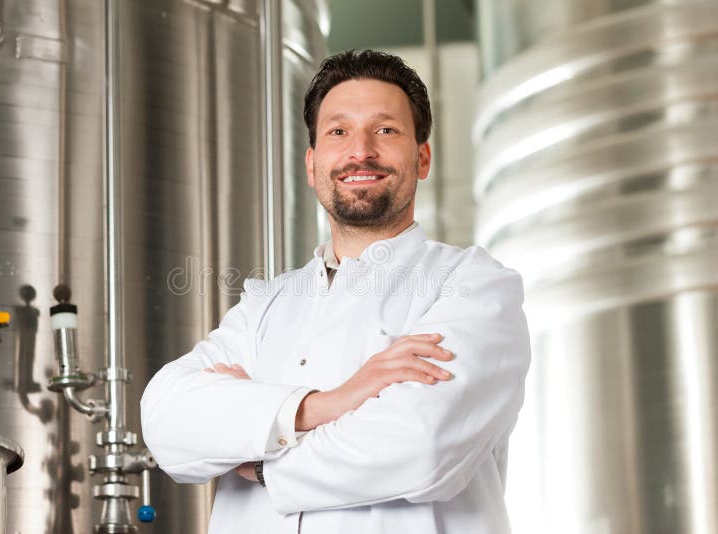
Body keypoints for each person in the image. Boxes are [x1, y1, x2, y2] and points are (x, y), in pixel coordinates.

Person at [141, 49, 531, 534]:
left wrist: (259, 460)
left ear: (423, 157)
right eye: (338, 132)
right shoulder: (265, 305)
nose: (360, 151)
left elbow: (421, 445)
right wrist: (329, 402)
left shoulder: (472, 284)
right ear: (311, 163)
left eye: (385, 130)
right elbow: (166, 421)